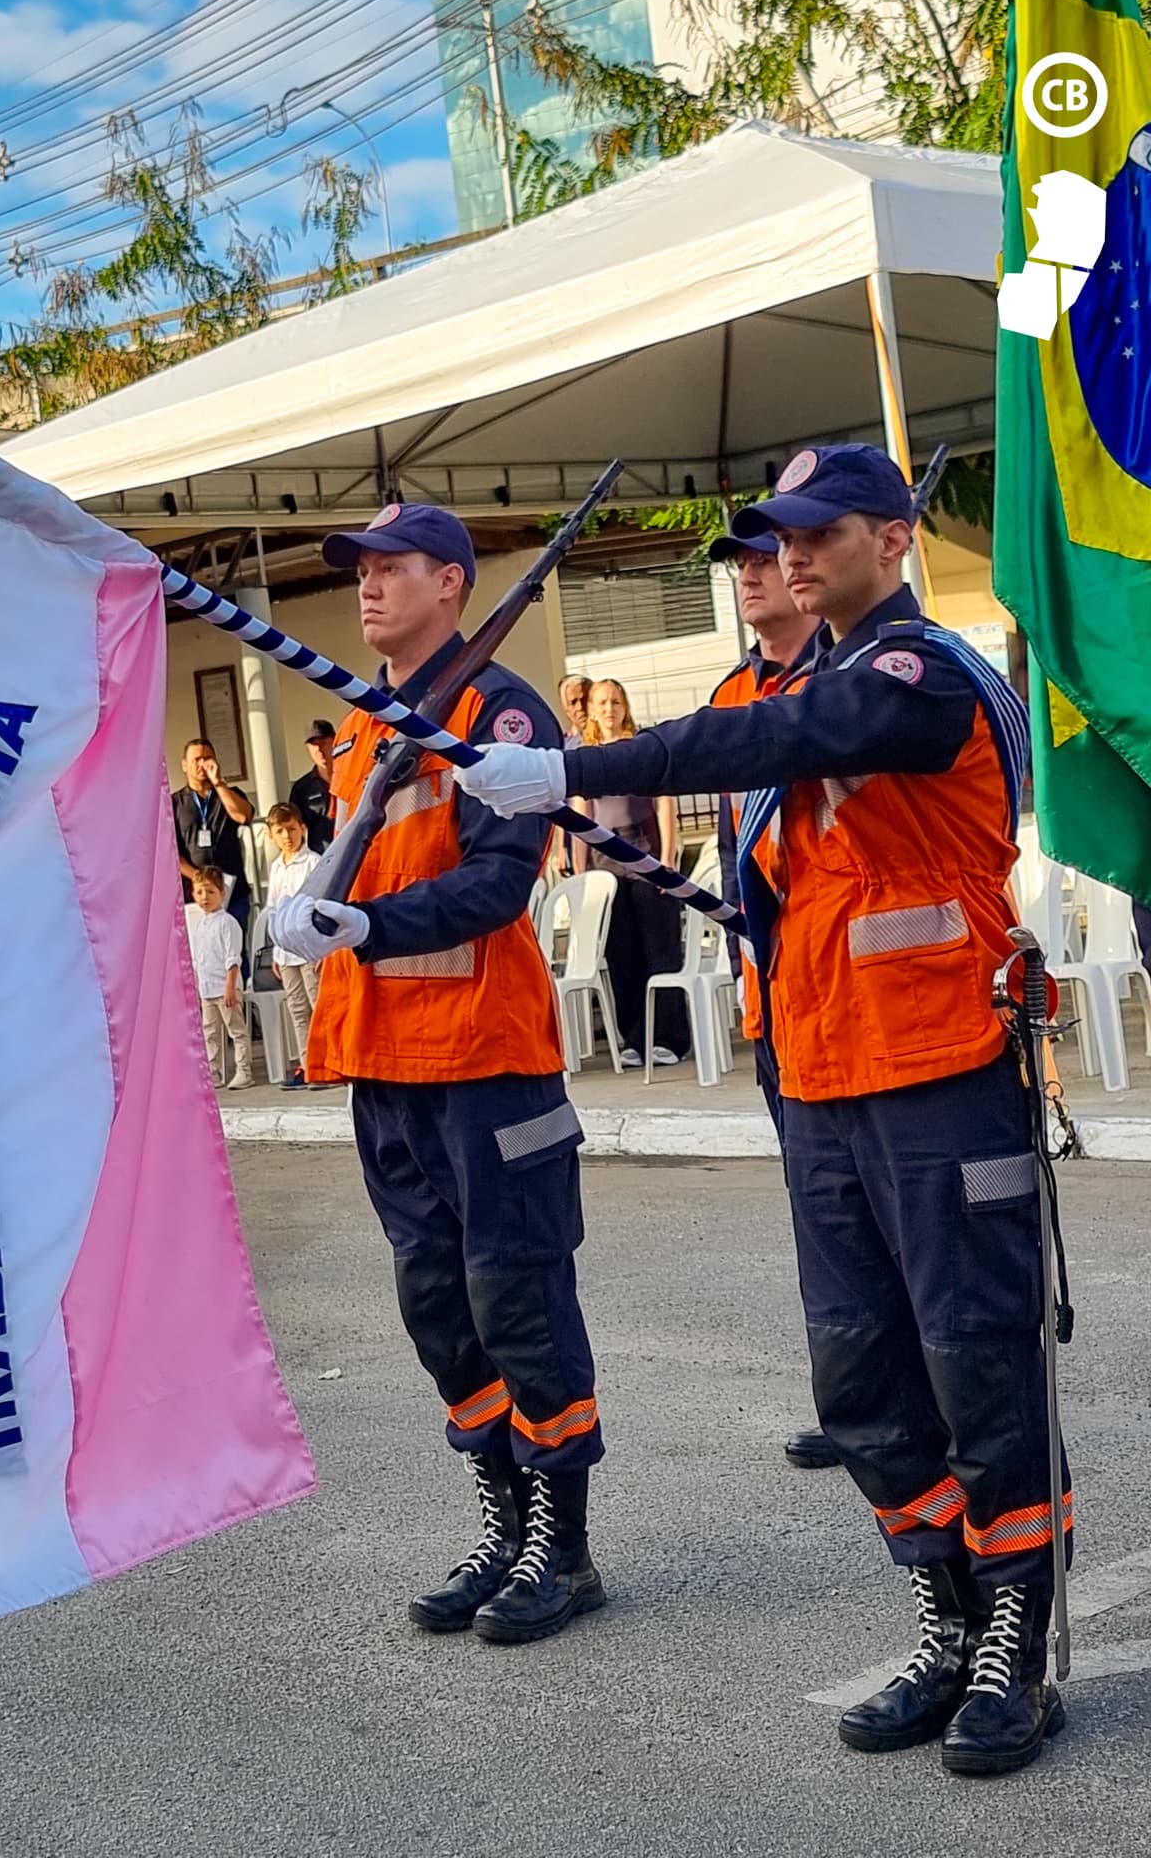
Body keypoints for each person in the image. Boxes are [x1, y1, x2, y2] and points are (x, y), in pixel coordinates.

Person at [457, 444, 1070, 1776]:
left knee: (978, 1362)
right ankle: (946, 1616)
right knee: (861, 1378)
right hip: (825, 1076)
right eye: (778, 536)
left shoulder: (920, 675)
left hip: (943, 1068)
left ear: (895, 540)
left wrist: (570, 763)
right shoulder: (800, 686)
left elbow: (786, 737)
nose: (790, 554)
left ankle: (1016, 1639)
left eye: (822, 531)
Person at [270, 501, 606, 1646]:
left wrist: (357, 921)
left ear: (453, 583)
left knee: (519, 1299)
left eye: (392, 567)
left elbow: (498, 885)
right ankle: (503, 1521)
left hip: (485, 1059)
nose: (366, 587)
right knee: (438, 1310)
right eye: (359, 569)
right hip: (383, 1064)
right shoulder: (370, 726)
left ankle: (563, 1545)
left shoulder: (497, 712)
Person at [708, 527, 837, 1474]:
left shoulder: (853, 677)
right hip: (774, 994)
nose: (752, 573)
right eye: (740, 562)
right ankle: (850, 1393)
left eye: (765, 555)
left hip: (856, 991)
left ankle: (912, 1392)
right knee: (818, 1201)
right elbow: (729, 859)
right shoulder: (728, 698)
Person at [570, 678, 688, 1068]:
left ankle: (669, 1038)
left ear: (625, 706)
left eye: (616, 701)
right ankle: (634, 1038)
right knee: (620, 951)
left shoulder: (642, 747)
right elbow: (579, 817)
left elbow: (664, 805)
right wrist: (580, 873)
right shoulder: (585, 756)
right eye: (602, 702)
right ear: (591, 708)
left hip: (645, 848)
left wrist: (667, 858)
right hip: (605, 858)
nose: (609, 709)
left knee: (659, 946)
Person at [264, 801, 323, 1087]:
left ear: (302, 828)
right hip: (286, 953)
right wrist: (276, 950)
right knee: (298, 1011)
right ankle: (307, 1065)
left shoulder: (313, 862)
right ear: (271, 835)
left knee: (318, 1005)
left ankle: (326, 1064)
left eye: (291, 829)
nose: (287, 836)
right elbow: (273, 910)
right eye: (280, 831)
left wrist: (323, 947)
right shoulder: (276, 868)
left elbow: (320, 904)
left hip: (309, 948)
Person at [173, 738, 255, 942]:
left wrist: (218, 783)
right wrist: (198, 877)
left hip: (231, 891)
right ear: (185, 765)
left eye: (207, 758)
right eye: (196, 759)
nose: (202, 764)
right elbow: (170, 851)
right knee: (202, 952)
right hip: (196, 894)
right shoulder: (174, 803)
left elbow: (243, 817)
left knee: (235, 950)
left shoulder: (229, 794)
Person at [187, 865, 254, 1091]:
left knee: (236, 1030)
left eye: (210, 892)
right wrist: (197, 987)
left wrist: (230, 987)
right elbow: (197, 959)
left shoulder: (227, 923)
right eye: (200, 892)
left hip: (225, 987)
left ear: (222, 894)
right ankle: (213, 1072)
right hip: (207, 990)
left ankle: (244, 1070)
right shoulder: (200, 925)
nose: (205, 898)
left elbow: (232, 958)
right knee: (211, 1033)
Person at [555, 677, 591, 872]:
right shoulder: (562, 747)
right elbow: (560, 800)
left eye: (584, 699)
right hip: (575, 837)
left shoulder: (611, 739)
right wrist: (561, 848)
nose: (580, 707)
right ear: (565, 708)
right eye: (573, 702)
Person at [289, 720, 337, 855]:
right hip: (321, 859)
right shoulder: (302, 788)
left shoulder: (352, 777)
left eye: (324, 742)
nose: (319, 750)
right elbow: (296, 828)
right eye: (314, 745)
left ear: (335, 742)